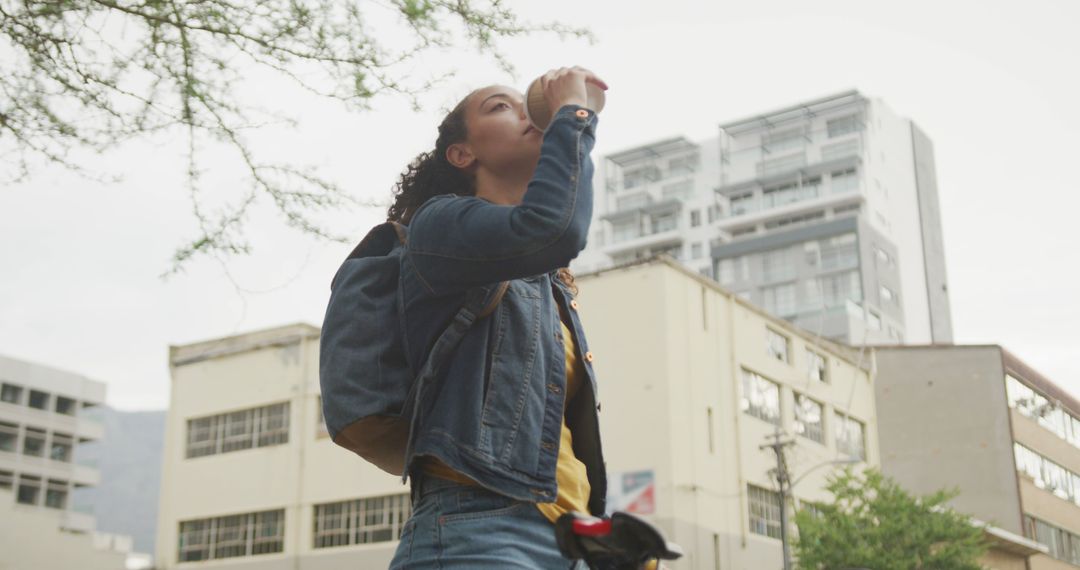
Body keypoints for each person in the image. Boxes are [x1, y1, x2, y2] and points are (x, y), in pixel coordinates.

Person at [387, 67, 609, 569]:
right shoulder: (439, 227)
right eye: (500, 106)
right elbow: (554, 228)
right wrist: (574, 115)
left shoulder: (546, 280)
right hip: (480, 529)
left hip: (564, 539)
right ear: (463, 155)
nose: (526, 111)